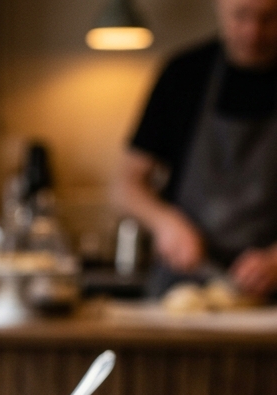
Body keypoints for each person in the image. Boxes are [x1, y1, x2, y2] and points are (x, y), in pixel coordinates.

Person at [114, 0, 277, 296]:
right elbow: (126, 186)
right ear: (220, 7)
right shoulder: (184, 75)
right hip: (182, 286)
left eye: (269, 18)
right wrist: (165, 223)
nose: (254, 32)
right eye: (241, 16)